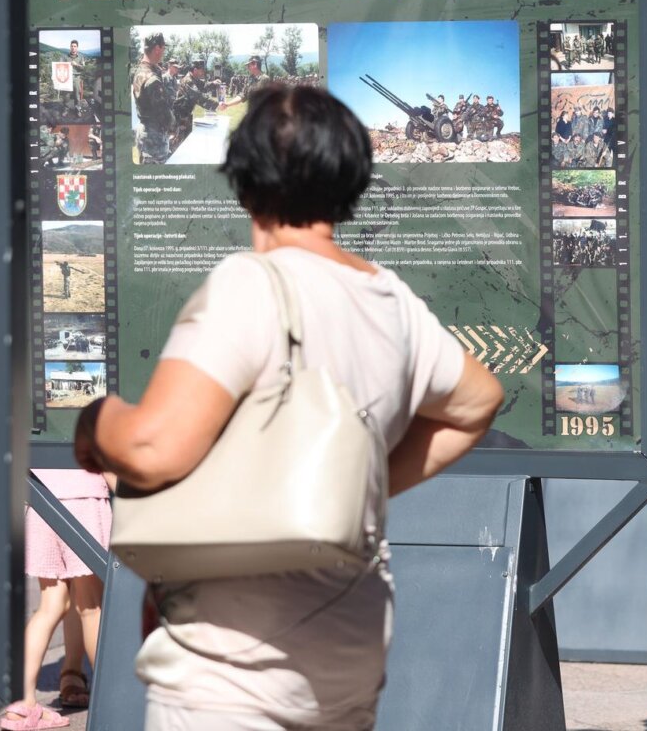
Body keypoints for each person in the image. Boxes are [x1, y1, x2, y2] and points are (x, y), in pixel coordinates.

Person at [72, 84, 505, 730]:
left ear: (245, 177)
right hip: (350, 645)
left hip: (234, 658)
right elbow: (478, 402)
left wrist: (95, 424)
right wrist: (356, 487)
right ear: (351, 176)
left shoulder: (251, 284)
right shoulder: (392, 300)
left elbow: (152, 447)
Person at [0, 469, 113, 731]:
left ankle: (21, 703)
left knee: (50, 606)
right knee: (91, 607)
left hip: (41, 502)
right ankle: (111, 703)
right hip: (84, 501)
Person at [131, 33, 173, 164]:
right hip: (154, 140)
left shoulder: (140, 71)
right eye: (163, 48)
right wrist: (174, 127)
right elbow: (164, 113)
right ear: (157, 49)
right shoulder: (152, 79)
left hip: (144, 133)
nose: (164, 52)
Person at [171, 59, 221, 149]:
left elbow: (204, 86)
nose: (203, 72)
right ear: (195, 70)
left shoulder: (194, 79)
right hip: (180, 117)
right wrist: (217, 105)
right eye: (201, 70)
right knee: (178, 143)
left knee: (187, 143)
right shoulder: (188, 80)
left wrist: (213, 83)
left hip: (186, 115)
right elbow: (198, 97)